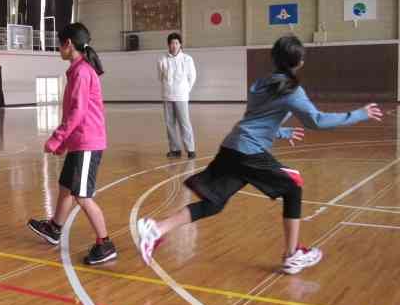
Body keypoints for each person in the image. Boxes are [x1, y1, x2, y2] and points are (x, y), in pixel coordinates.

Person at [138, 35, 383, 274]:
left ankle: (156, 229)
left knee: (213, 203)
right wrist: (359, 114)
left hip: (232, 146)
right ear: (298, 62)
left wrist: (283, 132)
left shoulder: (262, 83)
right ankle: (292, 254)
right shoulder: (291, 90)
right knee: (293, 187)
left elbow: (258, 119)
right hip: (249, 152)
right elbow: (316, 121)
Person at [27, 23, 116, 265]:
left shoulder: (81, 72)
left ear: (68, 44)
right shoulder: (78, 69)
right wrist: (65, 143)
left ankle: (105, 243)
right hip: (80, 140)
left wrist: (57, 138)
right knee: (66, 185)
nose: (58, 47)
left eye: (59, 43)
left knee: (82, 195)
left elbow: (77, 112)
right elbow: (74, 112)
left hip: (88, 142)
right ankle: (54, 228)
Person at [158, 32, 197, 159]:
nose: (174, 46)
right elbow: (160, 77)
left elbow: (192, 77)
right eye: (171, 43)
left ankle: (190, 149)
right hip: (167, 96)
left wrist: (186, 90)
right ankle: (175, 149)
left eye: (176, 43)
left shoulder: (187, 59)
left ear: (180, 45)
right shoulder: (162, 59)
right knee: (170, 124)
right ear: (168, 45)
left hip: (181, 96)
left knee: (184, 123)